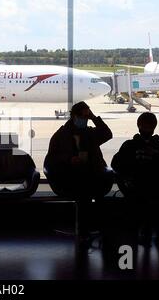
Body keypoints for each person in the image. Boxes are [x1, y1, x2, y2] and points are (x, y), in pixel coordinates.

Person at [111, 112, 159, 247]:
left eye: (149, 127)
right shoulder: (131, 145)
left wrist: (156, 157)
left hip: (148, 184)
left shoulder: (158, 146)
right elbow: (116, 164)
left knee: (149, 195)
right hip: (141, 183)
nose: (146, 130)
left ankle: (147, 227)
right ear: (139, 126)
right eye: (145, 126)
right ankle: (156, 227)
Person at [46, 101, 114, 240]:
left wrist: (94, 118)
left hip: (91, 175)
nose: (84, 120)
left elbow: (107, 134)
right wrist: (69, 159)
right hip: (69, 177)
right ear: (74, 117)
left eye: (86, 118)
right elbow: (51, 160)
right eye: (82, 117)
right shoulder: (61, 135)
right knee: (85, 191)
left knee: (89, 189)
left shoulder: (89, 133)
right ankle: (87, 230)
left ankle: (91, 229)